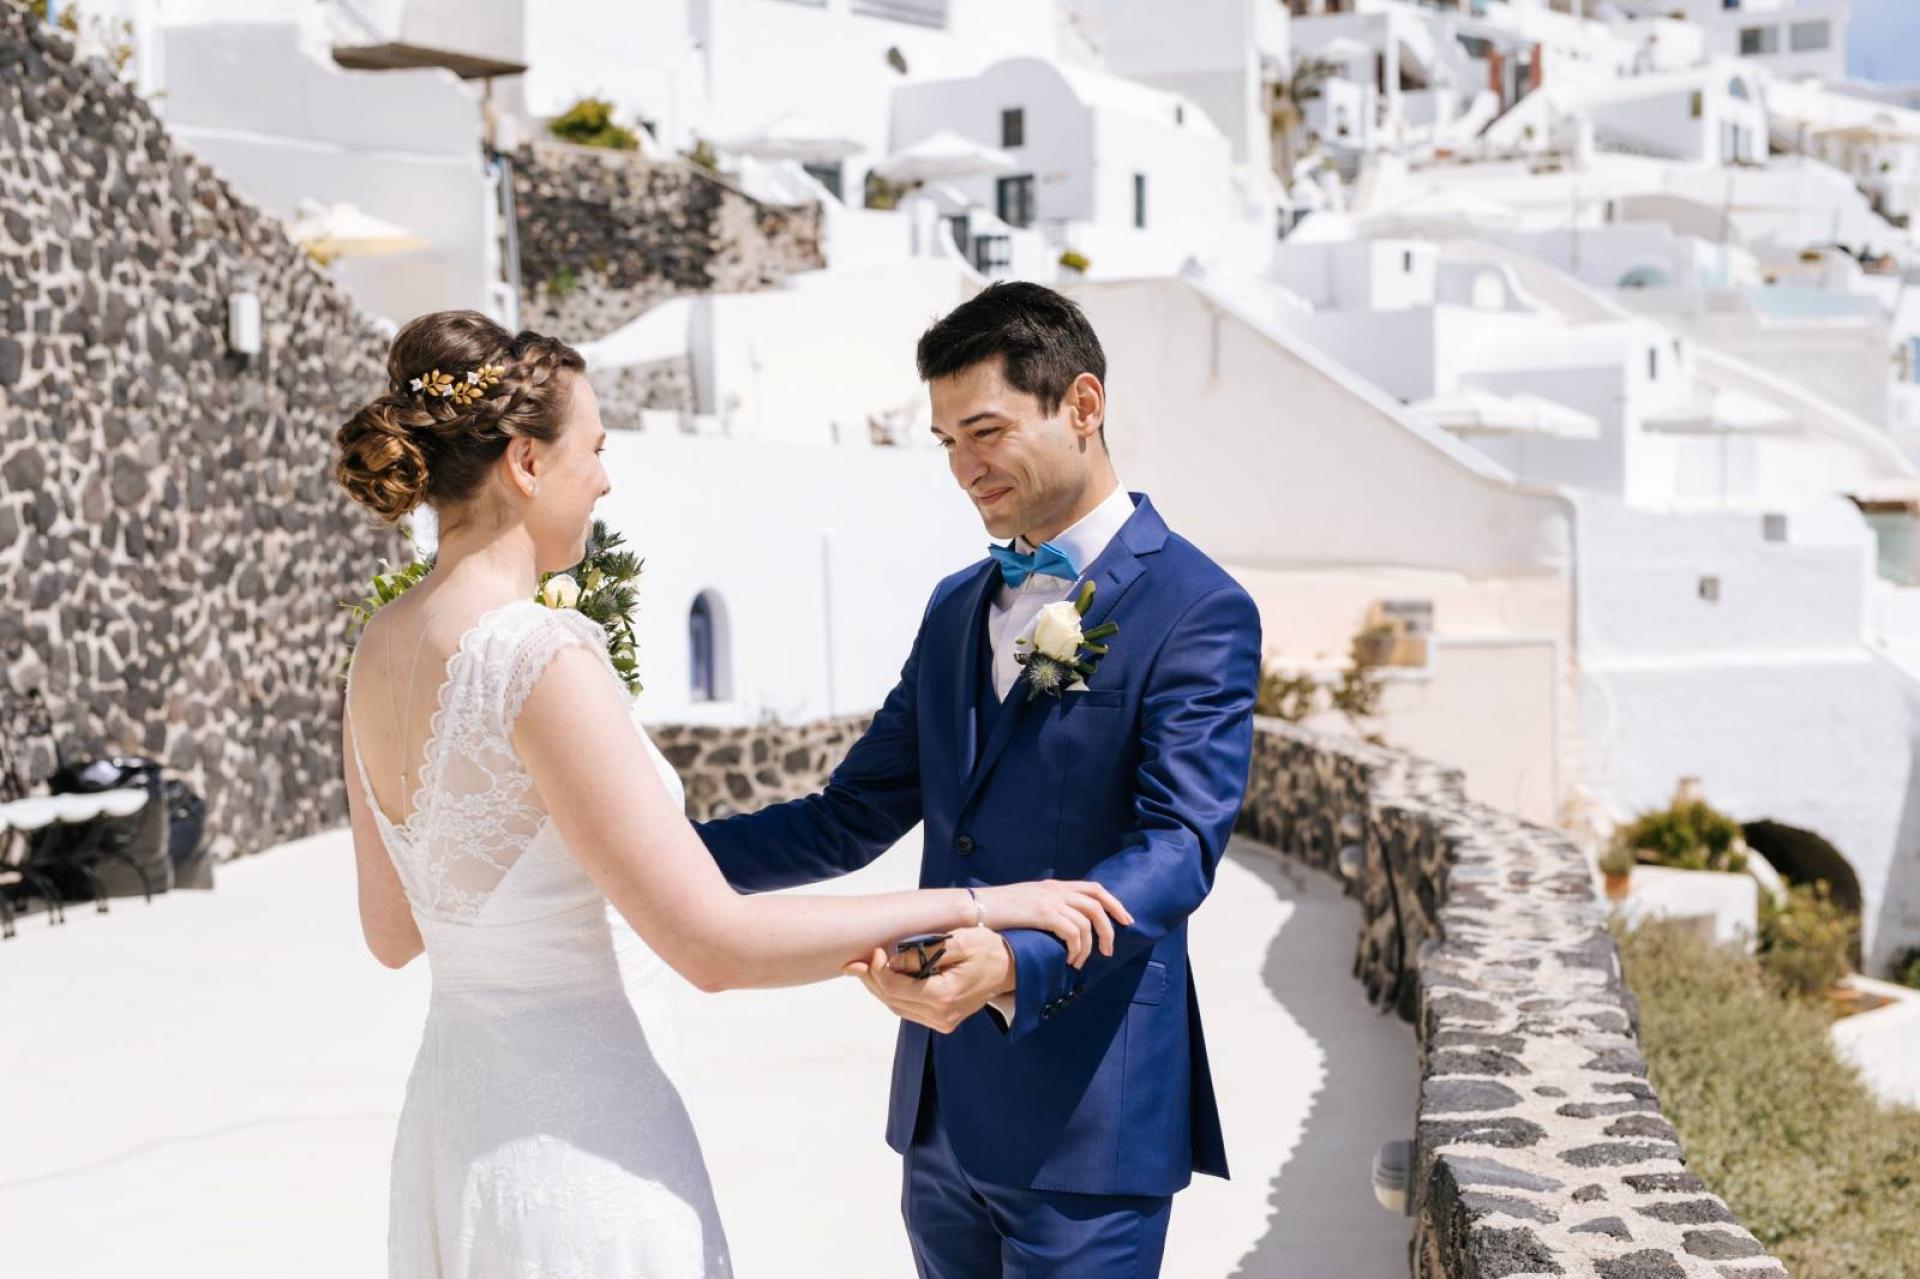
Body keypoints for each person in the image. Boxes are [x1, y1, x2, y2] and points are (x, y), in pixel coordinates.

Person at [333, 308, 1131, 1278]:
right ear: (526, 463)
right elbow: (713, 947)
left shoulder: (378, 648)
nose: (605, 478)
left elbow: (393, 931)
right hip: (583, 1147)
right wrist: (985, 905)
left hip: (454, 1136)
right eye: (594, 447)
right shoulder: (539, 655)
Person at [698, 283, 1263, 1277]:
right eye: (947, 440)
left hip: (1090, 1119)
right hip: (940, 1114)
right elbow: (848, 816)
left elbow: (1177, 847)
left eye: (987, 431)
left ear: (1082, 405)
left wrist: (1013, 959)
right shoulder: (956, 606)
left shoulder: (1198, 606)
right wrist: (651, 854)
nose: (965, 468)